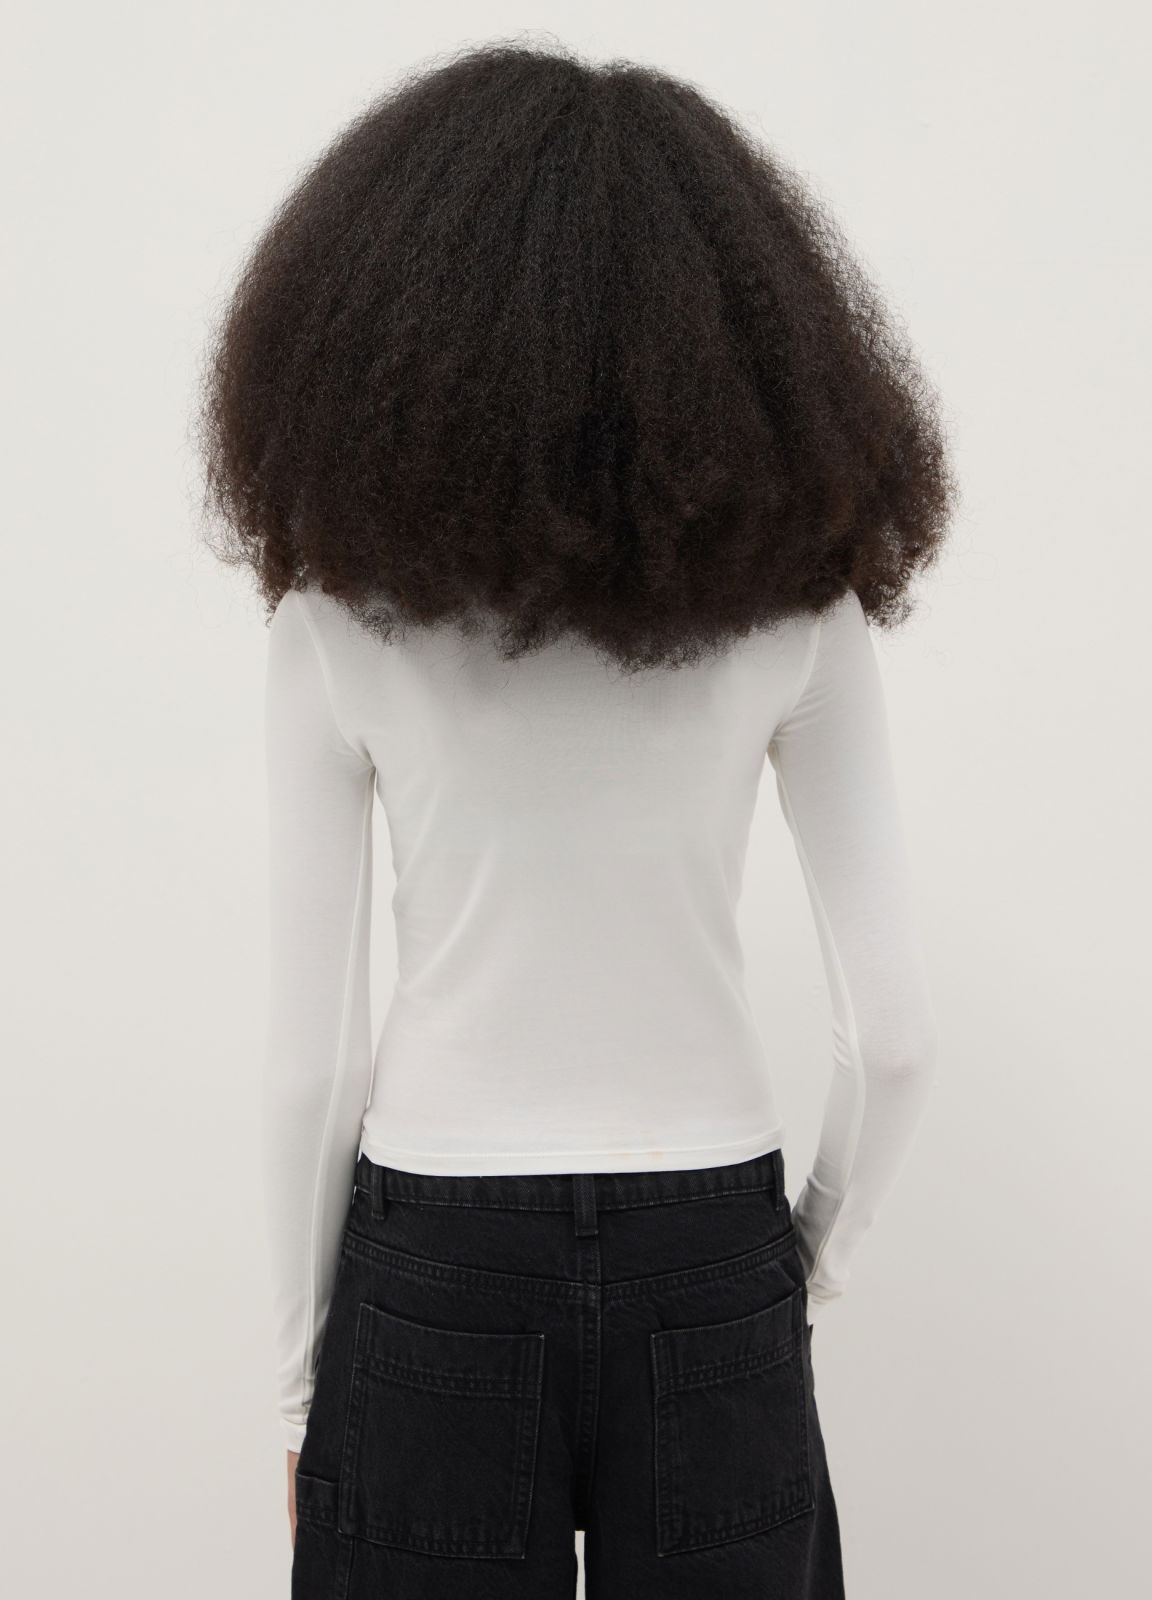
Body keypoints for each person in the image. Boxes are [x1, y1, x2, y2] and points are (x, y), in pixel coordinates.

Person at [197, 38, 953, 1599]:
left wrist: (297, 1391)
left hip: (435, 1262)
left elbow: (311, 1062)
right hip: (713, 1248)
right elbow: (893, 1039)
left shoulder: (336, 627)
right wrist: (803, 1265)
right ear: (744, 332)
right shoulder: (801, 620)